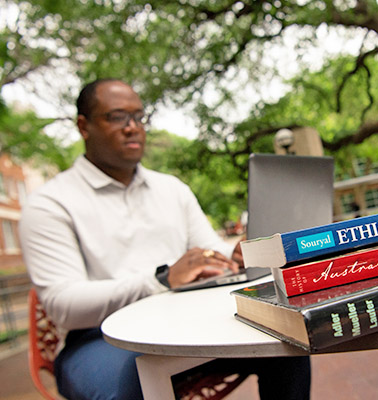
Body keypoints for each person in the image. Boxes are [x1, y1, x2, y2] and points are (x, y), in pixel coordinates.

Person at [19, 78, 311, 400]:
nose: (132, 128)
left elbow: (211, 249)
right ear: (83, 126)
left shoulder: (171, 189)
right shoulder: (50, 204)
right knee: (126, 390)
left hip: (185, 322)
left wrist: (239, 256)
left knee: (286, 339)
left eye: (139, 117)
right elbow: (65, 306)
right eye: (117, 117)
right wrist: (161, 279)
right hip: (100, 338)